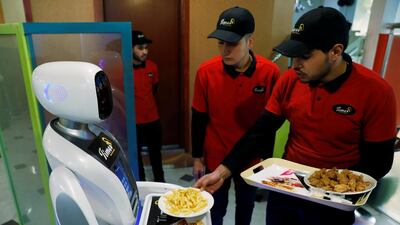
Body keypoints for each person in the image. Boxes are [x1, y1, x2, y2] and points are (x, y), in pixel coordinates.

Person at [194, 7, 397, 225]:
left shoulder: (376, 92)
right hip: (287, 188)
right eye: (294, 56)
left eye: (305, 56)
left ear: (336, 51)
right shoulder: (291, 80)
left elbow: (379, 161)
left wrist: (330, 187)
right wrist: (222, 172)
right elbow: (260, 131)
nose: (296, 65)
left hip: (334, 202)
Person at [191, 6, 280, 225]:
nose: (225, 50)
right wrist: (196, 157)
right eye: (221, 43)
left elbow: (271, 122)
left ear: (250, 42)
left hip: (251, 157)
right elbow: (199, 116)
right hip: (216, 153)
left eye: (232, 44)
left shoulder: (270, 73)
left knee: (246, 206)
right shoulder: (206, 71)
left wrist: (267, 159)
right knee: (215, 207)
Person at [132, 30, 165, 182]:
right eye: (140, 48)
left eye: (146, 47)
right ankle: (141, 183)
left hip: (153, 118)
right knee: (135, 154)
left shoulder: (152, 66)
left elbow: (154, 90)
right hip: (134, 122)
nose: (145, 51)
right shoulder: (123, 69)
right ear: (131, 48)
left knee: (156, 153)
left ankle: (160, 182)